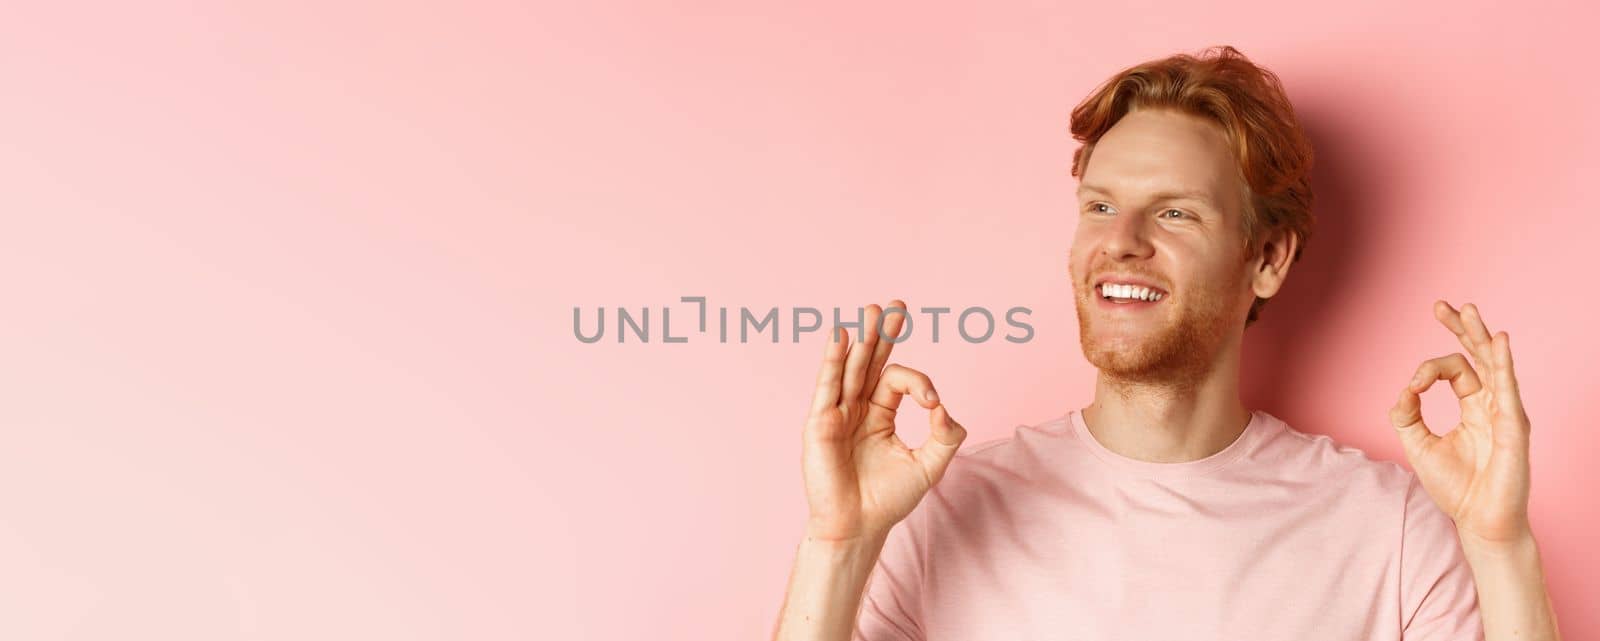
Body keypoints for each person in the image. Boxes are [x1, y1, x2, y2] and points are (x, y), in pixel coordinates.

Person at [771, 45, 1562, 641]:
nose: (1122, 242)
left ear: (1266, 258)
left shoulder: (1384, 530)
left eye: (1176, 212)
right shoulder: (941, 513)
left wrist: (1502, 547)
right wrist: (836, 544)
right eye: (1100, 206)